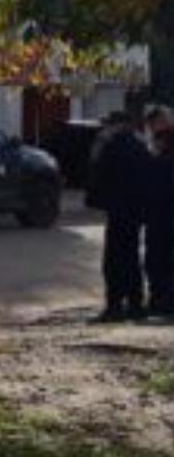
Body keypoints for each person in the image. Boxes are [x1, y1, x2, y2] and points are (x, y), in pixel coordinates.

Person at [88, 109, 150, 322]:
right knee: (131, 258)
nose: (105, 128)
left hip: (118, 210)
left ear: (119, 125)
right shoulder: (140, 146)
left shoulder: (112, 146)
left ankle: (114, 305)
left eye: (109, 124)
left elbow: (98, 174)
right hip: (134, 211)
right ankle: (135, 304)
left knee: (114, 259)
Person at [145, 107, 174, 317]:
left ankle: (162, 301)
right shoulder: (161, 144)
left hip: (163, 213)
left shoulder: (165, 144)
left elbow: (159, 179)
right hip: (161, 212)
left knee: (159, 259)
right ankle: (161, 300)